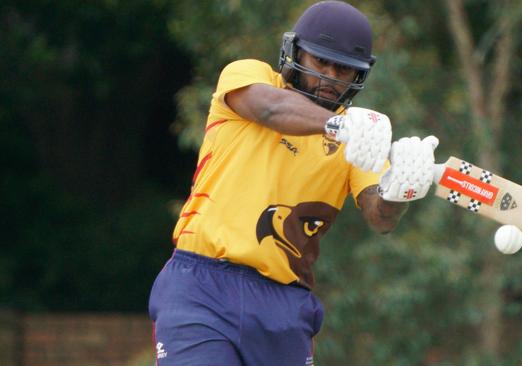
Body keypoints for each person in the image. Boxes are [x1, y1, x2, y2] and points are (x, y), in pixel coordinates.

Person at [148, 1, 438, 365]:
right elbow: (271, 109)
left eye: (344, 69)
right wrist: (339, 125)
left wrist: (401, 190)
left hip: (283, 304)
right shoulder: (249, 76)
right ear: (295, 52)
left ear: (358, 76)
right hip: (201, 286)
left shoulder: (358, 139)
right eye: (320, 62)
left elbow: (380, 216)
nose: (330, 77)